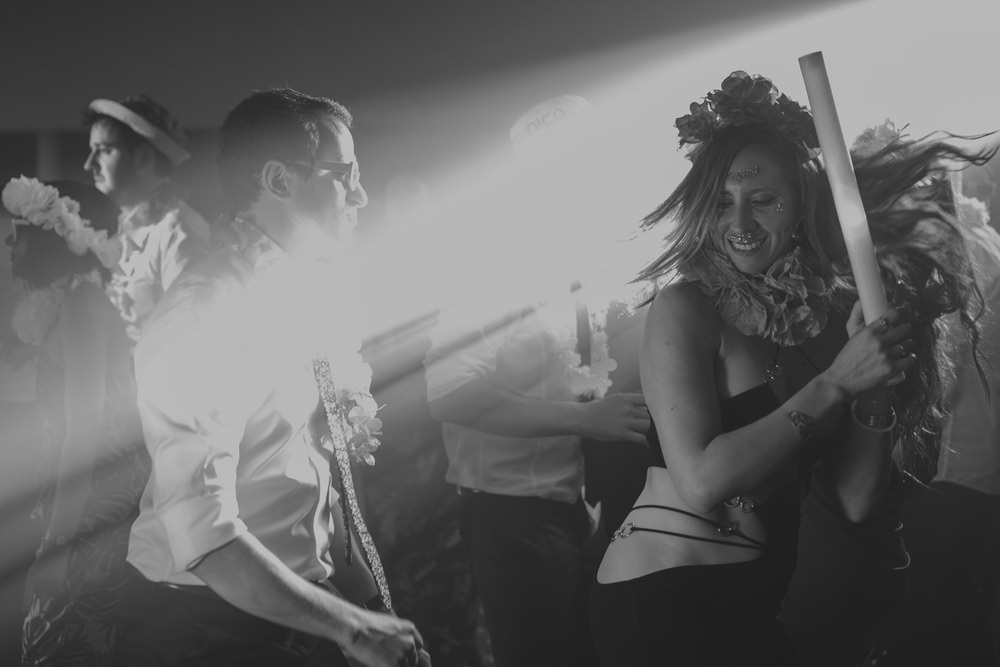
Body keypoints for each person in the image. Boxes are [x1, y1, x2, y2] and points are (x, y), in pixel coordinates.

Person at [589, 71, 989, 667]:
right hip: (662, 597)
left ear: (801, 202)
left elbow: (855, 497)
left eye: (764, 200)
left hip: (754, 606)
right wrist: (835, 383)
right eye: (722, 202)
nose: (740, 223)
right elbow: (700, 481)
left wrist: (871, 391)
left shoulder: (826, 320)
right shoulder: (686, 308)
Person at [116, 88, 427, 667]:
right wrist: (353, 628)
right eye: (344, 174)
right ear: (280, 181)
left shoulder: (298, 294)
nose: (360, 193)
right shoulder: (205, 312)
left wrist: (364, 604)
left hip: (293, 607)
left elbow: (305, 466)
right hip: (206, 628)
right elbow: (203, 535)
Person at [424, 94, 651, 667]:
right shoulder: (491, 267)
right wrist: (584, 420)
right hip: (512, 516)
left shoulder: (580, 263)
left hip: (573, 505)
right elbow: (450, 394)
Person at [3, 177, 148, 666]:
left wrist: (58, 545)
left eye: (16, 232)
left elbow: (84, 430)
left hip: (93, 510)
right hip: (75, 499)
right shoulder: (69, 304)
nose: (8, 243)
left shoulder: (85, 305)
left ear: (50, 235)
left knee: (64, 646)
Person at [874, 137, 1000, 666]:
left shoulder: (946, 248)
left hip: (949, 462)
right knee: (966, 605)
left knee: (931, 618)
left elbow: (940, 372)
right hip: (983, 461)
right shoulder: (987, 240)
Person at [83, 94, 210, 341]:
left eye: (104, 150)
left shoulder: (180, 234)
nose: (89, 164)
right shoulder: (115, 229)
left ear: (144, 159)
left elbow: (195, 338)